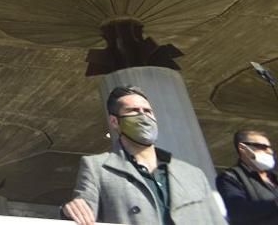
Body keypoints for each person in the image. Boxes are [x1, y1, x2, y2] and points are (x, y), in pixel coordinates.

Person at [61, 85, 225, 225]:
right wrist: (68, 211)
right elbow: (84, 208)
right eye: (133, 111)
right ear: (114, 122)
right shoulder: (97, 167)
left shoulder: (193, 174)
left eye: (147, 111)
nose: (144, 116)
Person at [216, 129, 278, 224]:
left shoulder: (273, 175)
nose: (269, 151)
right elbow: (238, 212)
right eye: (262, 147)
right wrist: (274, 204)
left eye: (269, 147)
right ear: (242, 148)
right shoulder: (230, 177)